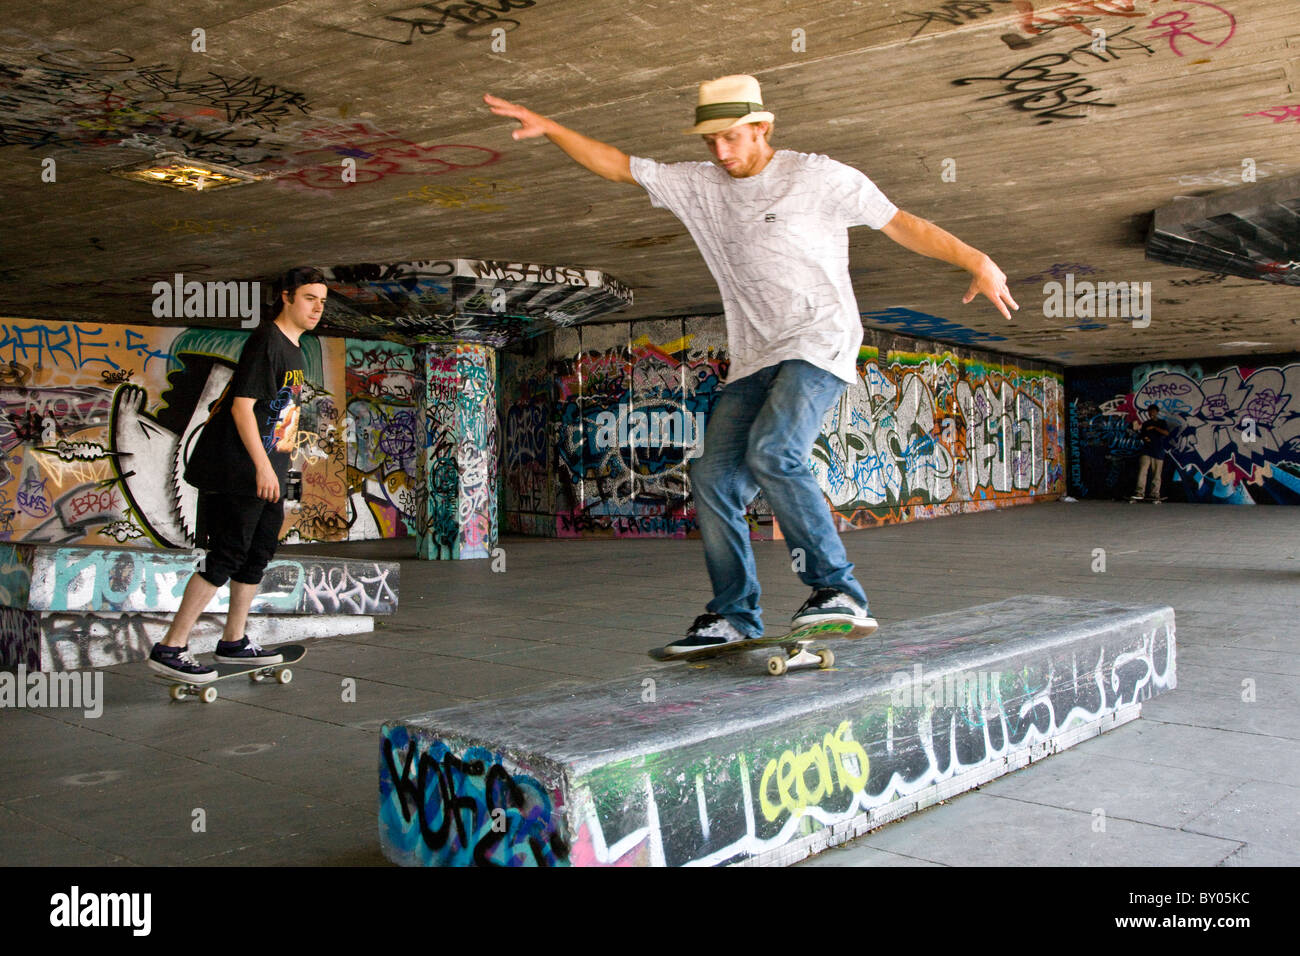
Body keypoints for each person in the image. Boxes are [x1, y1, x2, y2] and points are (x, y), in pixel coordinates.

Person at [485, 75, 1017, 653]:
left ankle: (839, 591)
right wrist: (553, 129)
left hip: (820, 341)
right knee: (712, 478)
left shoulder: (818, 176)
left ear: (763, 128)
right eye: (710, 140)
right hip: (754, 355)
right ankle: (734, 614)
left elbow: (899, 222)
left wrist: (977, 258)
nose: (720, 153)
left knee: (773, 451)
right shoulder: (699, 185)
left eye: (732, 138)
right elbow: (619, 165)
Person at [147, 266, 326, 681]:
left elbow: (277, 416)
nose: (317, 307)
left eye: (321, 301)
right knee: (227, 554)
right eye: (308, 298)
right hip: (241, 470)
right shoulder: (267, 341)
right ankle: (170, 646)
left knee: (258, 554)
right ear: (285, 297)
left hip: (269, 473)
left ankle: (234, 641)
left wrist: (282, 465)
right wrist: (263, 467)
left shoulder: (296, 349)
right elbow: (241, 407)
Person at [1131, 405, 1171, 502]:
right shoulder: (1146, 424)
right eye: (1149, 412)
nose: (1151, 413)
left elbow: (1166, 433)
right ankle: (1139, 492)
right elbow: (1141, 435)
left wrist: (1154, 428)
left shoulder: (1162, 423)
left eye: (1153, 411)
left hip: (1158, 451)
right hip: (1147, 450)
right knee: (1143, 471)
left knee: (1156, 473)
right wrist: (1145, 437)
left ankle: (1155, 493)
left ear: (1156, 412)